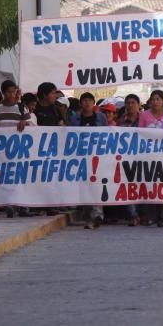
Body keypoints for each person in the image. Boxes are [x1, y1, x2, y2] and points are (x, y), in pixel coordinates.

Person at [0, 80, 35, 218]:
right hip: (2, 151)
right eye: (9, 92)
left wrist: (25, 121)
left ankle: (22, 206)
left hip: (20, 150)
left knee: (20, 177)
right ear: (3, 93)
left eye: (14, 91)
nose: (12, 94)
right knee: (5, 177)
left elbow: (32, 126)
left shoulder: (22, 108)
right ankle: (9, 204)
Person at [139, 89, 163, 227]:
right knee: (149, 185)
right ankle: (150, 216)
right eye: (153, 99)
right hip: (148, 156)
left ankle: (161, 216)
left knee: (162, 186)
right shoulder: (144, 115)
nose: (155, 102)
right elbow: (140, 134)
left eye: (158, 99)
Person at [69, 93, 108, 228]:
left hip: (97, 157)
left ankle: (97, 215)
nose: (87, 103)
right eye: (84, 100)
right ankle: (88, 216)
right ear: (81, 103)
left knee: (96, 185)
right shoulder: (75, 119)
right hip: (81, 158)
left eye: (89, 101)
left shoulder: (101, 118)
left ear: (93, 103)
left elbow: (106, 135)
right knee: (85, 186)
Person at [117, 94, 142, 226]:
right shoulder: (120, 122)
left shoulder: (145, 119)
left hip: (144, 158)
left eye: (133, 103)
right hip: (127, 160)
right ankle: (133, 215)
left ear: (139, 105)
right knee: (128, 187)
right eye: (128, 103)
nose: (130, 106)